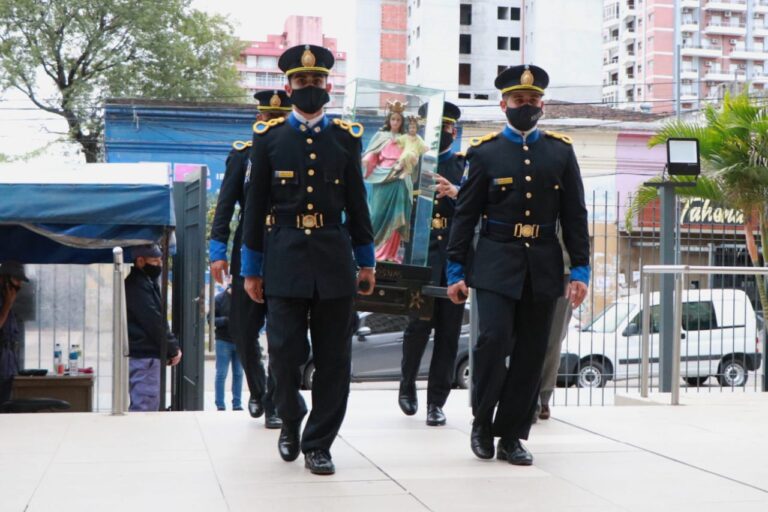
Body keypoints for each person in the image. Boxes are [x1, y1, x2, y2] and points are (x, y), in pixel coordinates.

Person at [241, 43, 376, 476]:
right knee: (283, 352)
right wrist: (250, 267)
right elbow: (255, 205)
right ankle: (290, 416)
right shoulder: (270, 139)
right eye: (302, 82)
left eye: (316, 81)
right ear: (289, 86)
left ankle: (319, 443)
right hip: (283, 256)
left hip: (334, 259)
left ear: (328, 86)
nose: (310, 88)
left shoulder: (344, 139)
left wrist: (366, 260)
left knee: (335, 359)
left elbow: (358, 204)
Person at [445, 64, 590, 466]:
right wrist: (455, 271)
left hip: (543, 264)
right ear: (503, 104)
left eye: (531, 101)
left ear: (541, 104)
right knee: (491, 342)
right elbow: (466, 216)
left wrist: (580, 270)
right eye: (517, 100)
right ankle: (480, 421)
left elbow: (575, 215)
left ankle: (511, 435)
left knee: (531, 352)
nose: (524, 106)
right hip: (494, 262)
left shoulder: (560, 152)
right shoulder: (486, 152)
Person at [209, 90, 291, 429]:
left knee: (282, 333)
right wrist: (217, 252)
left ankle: (274, 400)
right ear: (257, 120)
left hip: (287, 249)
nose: (269, 124)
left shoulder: (297, 154)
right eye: (264, 119)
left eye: (277, 119)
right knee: (242, 328)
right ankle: (257, 391)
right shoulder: (243, 155)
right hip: (248, 248)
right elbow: (225, 205)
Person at [398, 101, 465, 427]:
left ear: (454, 131)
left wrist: (457, 192)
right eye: (436, 130)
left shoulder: (464, 167)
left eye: (448, 129)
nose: (443, 135)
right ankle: (407, 381)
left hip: (454, 261)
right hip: (419, 258)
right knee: (417, 327)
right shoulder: (410, 165)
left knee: (449, 335)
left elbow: (479, 203)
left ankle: (436, 403)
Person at [362, 100, 425, 262]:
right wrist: (365, 162)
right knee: (377, 214)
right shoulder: (380, 136)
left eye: (398, 120)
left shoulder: (407, 138)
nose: (395, 122)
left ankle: (390, 253)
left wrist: (412, 160)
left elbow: (414, 156)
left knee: (398, 216)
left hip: (400, 179)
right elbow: (371, 155)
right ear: (388, 120)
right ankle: (374, 251)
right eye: (393, 119)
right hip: (382, 177)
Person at [125, 244, 182, 412]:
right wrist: (173, 348)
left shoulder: (143, 282)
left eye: (160, 261)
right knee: (145, 407)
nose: (159, 265)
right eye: (155, 261)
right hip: (146, 356)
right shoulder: (138, 285)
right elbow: (154, 320)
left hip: (145, 356)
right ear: (140, 261)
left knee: (146, 404)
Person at [535, 231, 573, 422]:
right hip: (524, 263)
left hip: (562, 271)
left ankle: (542, 397)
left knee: (553, 339)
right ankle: (527, 396)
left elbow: (576, 228)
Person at [213, 283, 243, 411]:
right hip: (223, 341)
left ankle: (237, 404)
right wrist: (225, 320)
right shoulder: (219, 299)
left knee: (239, 373)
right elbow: (211, 320)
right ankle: (220, 404)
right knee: (221, 373)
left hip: (240, 342)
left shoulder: (242, 300)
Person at [0, 261, 27, 405]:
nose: (19, 285)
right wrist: (7, 305)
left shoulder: (6, 300)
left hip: (6, 368)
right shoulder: (5, 302)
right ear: (3, 278)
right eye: (16, 280)